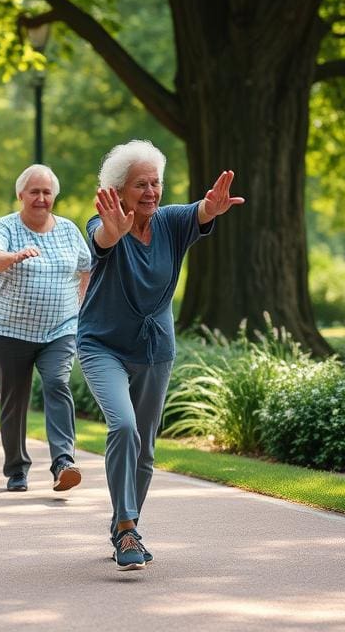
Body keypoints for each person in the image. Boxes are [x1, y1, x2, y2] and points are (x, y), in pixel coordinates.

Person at [77, 140, 244, 570]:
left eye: (156, 183)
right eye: (140, 184)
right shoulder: (105, 222)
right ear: (118, 191)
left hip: (154, 349)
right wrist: (110, 233)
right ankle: (129, 529)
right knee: (125, 425)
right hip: (103, 345)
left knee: (146, 450)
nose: (151, 191)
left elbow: (200, 213)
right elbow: (100, 239)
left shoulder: (170, 223)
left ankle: (123, 527)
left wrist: (210, 209)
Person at [0, 165, 91, 493]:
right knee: (14, 400)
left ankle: (63, 463)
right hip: (8, 331)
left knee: (57, 383)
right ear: (21, 195)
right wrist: (13, 257)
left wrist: (80, 306)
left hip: (59, 330)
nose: (41, 198)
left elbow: (87, 268)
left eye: (47, 192)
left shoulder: (69, 230)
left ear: (54, 196)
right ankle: (16, 468)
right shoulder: (5, 226)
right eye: (34, 191)